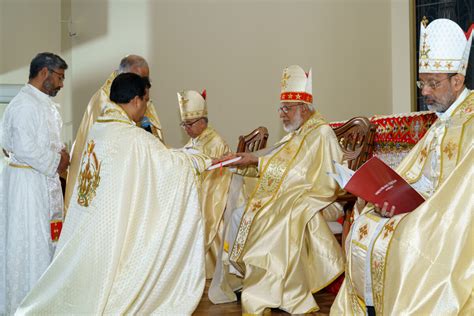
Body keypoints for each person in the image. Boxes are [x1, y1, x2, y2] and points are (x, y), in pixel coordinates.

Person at [16, 73, 211, 315]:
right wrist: (200, 161)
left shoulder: (98, 129)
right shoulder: (133, 137)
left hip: (88, 219)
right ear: (137, 100)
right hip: (110, 226)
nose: (146, 108)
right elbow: (170, 168)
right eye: (147, 101)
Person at [331, 18, 473, 315]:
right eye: (423, 82)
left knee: (406, 239)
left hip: (456, 224)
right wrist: (391, 198)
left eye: (433, 83)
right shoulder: (442, 120)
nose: (425, 91)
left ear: (457, 81)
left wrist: (418, 209)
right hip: (429, 207)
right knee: (365, 223)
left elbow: (460, 198)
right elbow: (423, 174)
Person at [209, 65, 345, 314]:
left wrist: (256, 162)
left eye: (287, 108)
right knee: (242, 212)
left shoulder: (322, 133)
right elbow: (276, 167)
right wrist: (244, 164)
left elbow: (318, 178)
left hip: (319, 199)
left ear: (304, 108)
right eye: (280, 108)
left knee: (277, 217)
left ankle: (279, 290)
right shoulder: (294, 136)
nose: (282, 114)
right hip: (292, 195)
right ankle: (249, 280)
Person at [0, 52, 69, 314]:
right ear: (44, 73)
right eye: (59, 77)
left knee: (45, 243)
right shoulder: (24, 105)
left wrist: (62, 153)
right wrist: (58, 161)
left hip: (42, 182)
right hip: (27, 188)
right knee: (30, 245)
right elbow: (25, 147)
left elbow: (46, 141)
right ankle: (27, 305)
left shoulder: (42, 104)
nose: (62, 84)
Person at [64, 54, 163, 215]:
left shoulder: (139, 95)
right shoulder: (104, 101)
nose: (144, 86)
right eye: (140, 80)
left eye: (146, 81)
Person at [178, 89, 233, 278]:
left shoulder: (215, 142)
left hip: (214, 196)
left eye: (189, 124)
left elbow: (218, 178)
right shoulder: (194, 141)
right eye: (183, 124)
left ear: (202, 121)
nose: (186, 129)